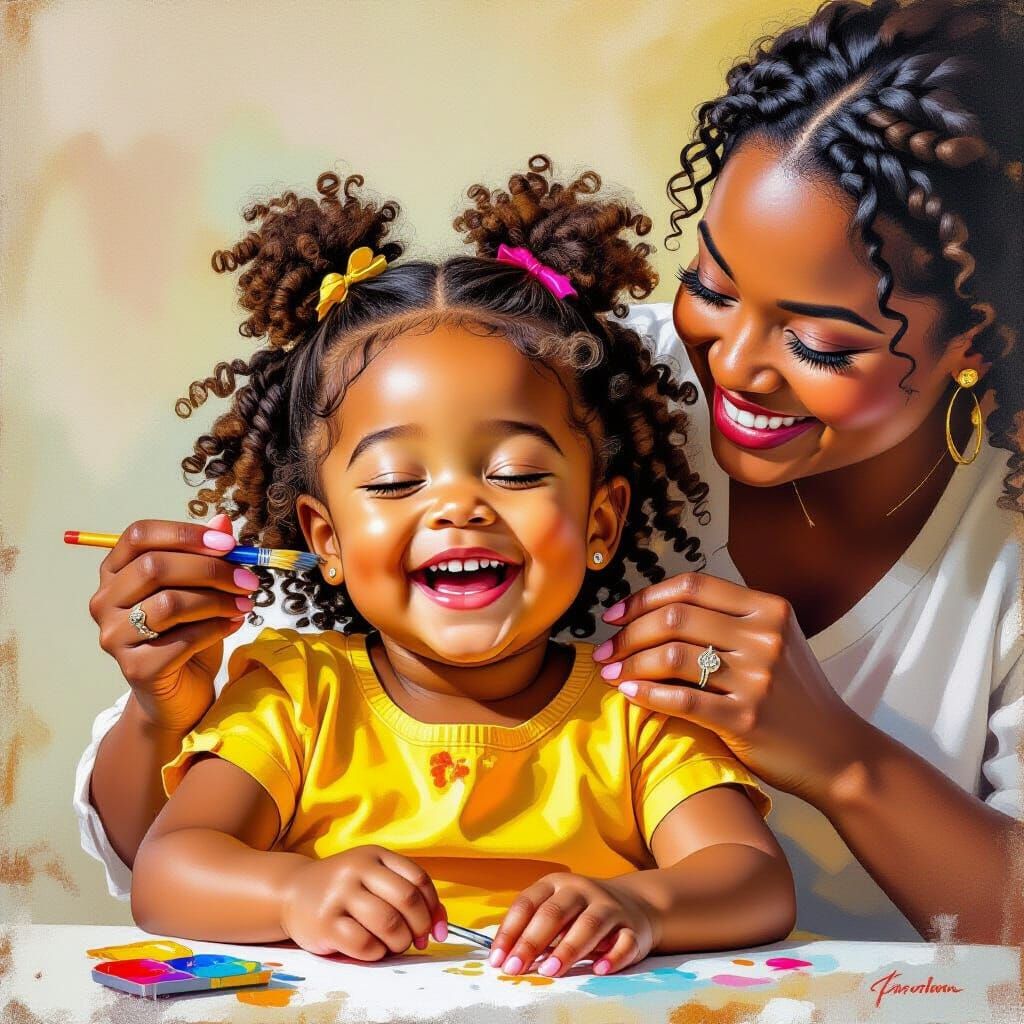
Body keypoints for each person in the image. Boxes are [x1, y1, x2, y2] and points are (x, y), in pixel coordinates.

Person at [77, 0, 1022, 944]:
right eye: (713, 287)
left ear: (980, 337)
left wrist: (839, 760)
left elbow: (761, 882)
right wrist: (167, 709)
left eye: (818, 339)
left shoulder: (629, 711)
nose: (729, 366)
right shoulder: (583, 383)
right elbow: (157, 856)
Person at [122, 160, 794, 974]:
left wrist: (640, 906)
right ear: (324, 539)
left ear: (601, 522)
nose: (457, 508)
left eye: (514, 473)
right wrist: (294, 893)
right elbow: (166, 870)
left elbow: (755, 881)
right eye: (396, 482)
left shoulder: (638, 711)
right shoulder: (294, 697)